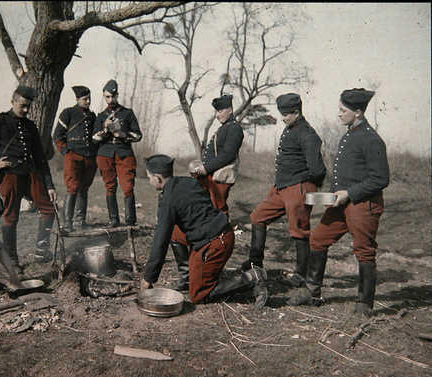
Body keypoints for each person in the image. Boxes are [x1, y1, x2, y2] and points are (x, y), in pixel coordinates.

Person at [288, 88, 389, 317]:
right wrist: (332, 197)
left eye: (343, 110)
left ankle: (364, 304)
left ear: (358, 112)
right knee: (318, 239)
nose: (339, 114)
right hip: (341, 205)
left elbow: (381, 179)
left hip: (363, 206)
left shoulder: (372, 140)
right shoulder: (349, 134)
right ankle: (312, 290)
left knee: (364, 251)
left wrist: (349, 194)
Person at [139, 154, 268, 307]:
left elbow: (160, 241)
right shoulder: (187, 182)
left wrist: (149, 278)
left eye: (149, 177)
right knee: (174, 232)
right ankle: (188, 278)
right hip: (222, 234)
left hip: (215, 244)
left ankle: (251, 277)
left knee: (199, 295)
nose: (149, 181)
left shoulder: (168, 200)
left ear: (158, 178)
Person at [242, 93, 327, 287]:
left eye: (286, 114)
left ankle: (301, 274)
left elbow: (317, 169)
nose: (283, 118)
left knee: (299, 231)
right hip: (281, 188)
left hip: (298, 187)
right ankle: (255, 263)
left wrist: (305, 188)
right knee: (257, 216)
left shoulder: (307, 134)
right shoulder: (291, 129)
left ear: (296, 112)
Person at [0, 85, 57, 265]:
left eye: (28, 106)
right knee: (10, 216)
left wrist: (49, 185)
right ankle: (12, 261)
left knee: (49, 209)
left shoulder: (31, 126)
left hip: (30, 174)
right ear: (12, 101)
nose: (25, 110)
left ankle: (41, 250)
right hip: (9, 176)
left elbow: (40, 159)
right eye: (22, 105)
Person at [170, 94, 244, 292]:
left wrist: (206, 168)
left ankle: (210, 269)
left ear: (230, 109)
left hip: (218, 180)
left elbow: (228, 155)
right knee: (185, 226)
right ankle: (186, 276)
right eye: (217, 111)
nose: (218, 114)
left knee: (215, 221)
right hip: (208, 179)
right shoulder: (224, 128)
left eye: (221, 110)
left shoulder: (235, 129)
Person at [92, 79, 142, 227]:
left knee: (127, 186)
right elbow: (94, 138)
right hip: (105, 154)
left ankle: (130, 221)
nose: (111, 99)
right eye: (107, 97)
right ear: (104, 97)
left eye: (113, 96)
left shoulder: (128, 113)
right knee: (110, 186)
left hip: (124, 153)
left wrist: (123, 134)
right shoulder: (101, 116)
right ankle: (113, 219)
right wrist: (106, 129)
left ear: (117, 95)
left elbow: (138, 135)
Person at [53, 85, 97, 231]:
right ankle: (67, 223)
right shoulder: (68, 113)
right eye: (85, 99)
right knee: (72, 188)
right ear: (77, 99)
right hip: (73, 157)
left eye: (89, 98)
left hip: (89, 158)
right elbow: (57, 136)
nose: (88, 101)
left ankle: (80, 221)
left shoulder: (92, 116)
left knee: (84, 188)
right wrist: (66, 152)